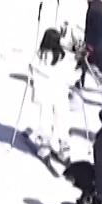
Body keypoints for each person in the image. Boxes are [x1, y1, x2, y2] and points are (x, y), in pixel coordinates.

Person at [19, 29, 72, 158]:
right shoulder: (63, 56)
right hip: (60, 92)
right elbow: (70, 75)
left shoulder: (39, 55)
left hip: (45, 93)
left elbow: (31, 70)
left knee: (45, 119)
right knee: (61, 118)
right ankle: (64, 148)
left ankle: (45, 147)